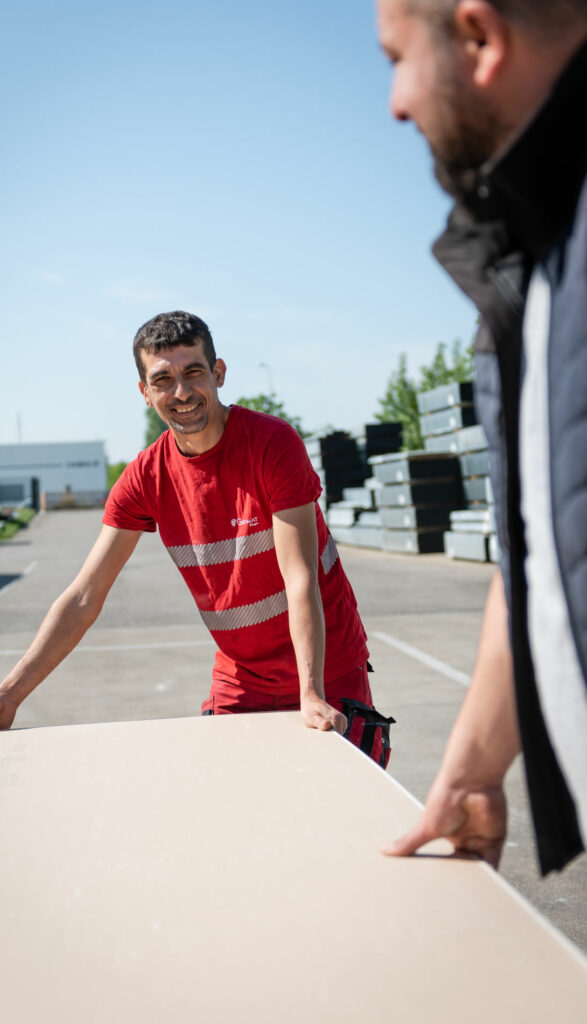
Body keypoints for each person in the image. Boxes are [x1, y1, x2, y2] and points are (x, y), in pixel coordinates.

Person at [0, 311, 392, 765]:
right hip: (242, 676)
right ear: (145, 393)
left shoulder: (273, 444)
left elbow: (298, 574)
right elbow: (85, 595)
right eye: (163, 379)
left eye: (193, 372)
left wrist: (310, 693)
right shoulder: (145, 477)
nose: (182, 392)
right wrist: (9, 696)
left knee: (336, 809)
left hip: (326, 670)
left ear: (218, 374)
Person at [376, 0, 587, 873]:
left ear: (478, 38)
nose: (393, 101)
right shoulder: (528, 270)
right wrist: (474, 766)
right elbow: (539, 548)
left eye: (396, 57)